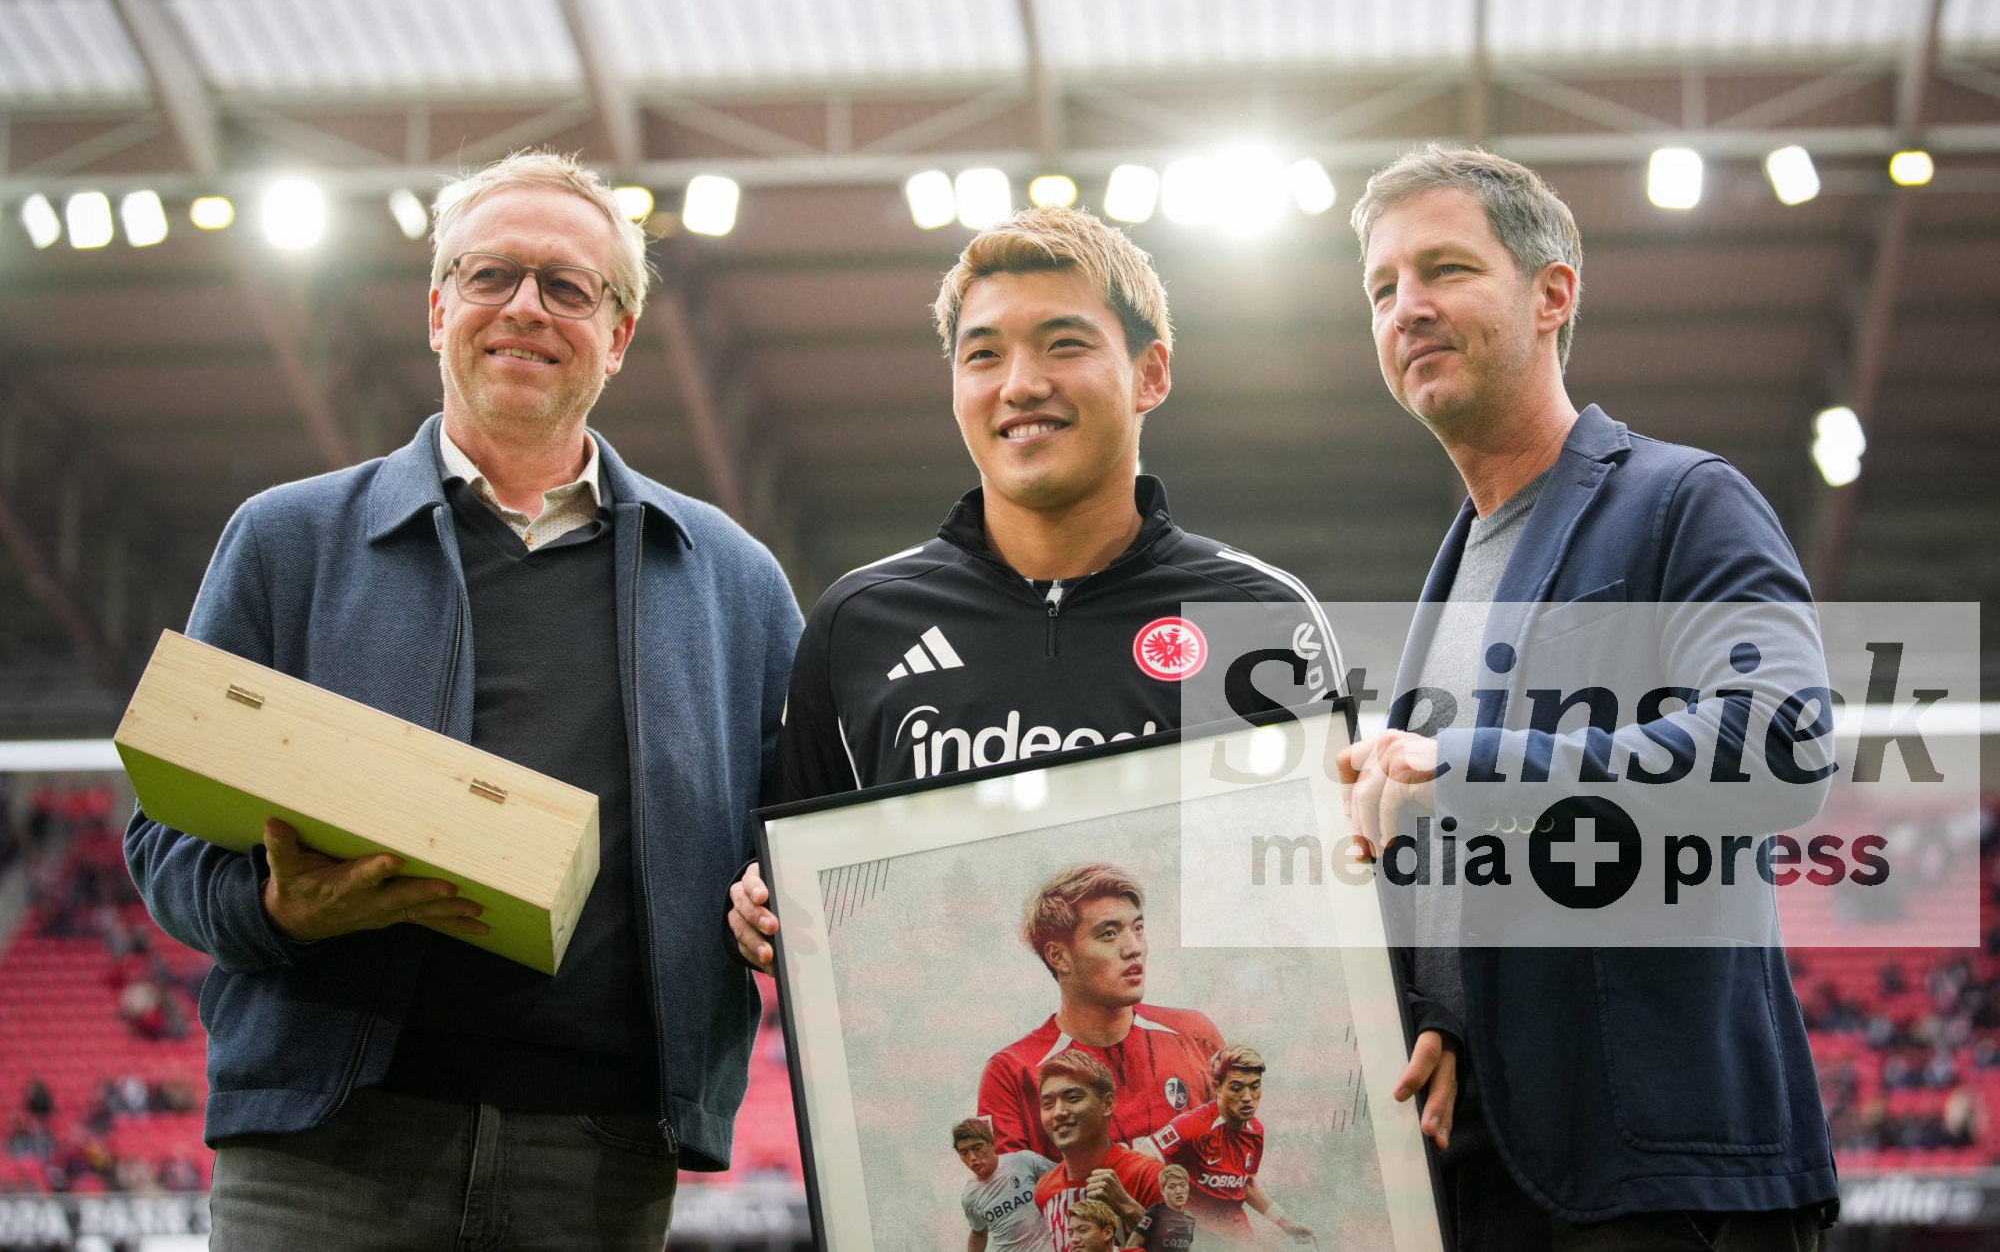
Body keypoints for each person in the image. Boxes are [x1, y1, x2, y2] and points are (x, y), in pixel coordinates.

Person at [124, 149, 801, 1250]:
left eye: (568, 285)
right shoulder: (287, 542)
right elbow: (161, 841)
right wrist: (278, 910)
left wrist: (777, 905)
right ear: (438, 308)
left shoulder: (734, 581)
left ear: (618, 335)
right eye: (492, 275)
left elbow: (794, 843)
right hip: (323, 1152)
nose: (525, 306)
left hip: (601, 1159)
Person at [1335, 144, 1836, 1248]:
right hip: (1494, 1157)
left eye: (1444, 269)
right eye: (1381, 288)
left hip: (1664, 1175)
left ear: (1552, 293)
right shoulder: (1458, 567)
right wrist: (1447, 1012)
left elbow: (1781, 745)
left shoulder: (1683, 498)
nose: (1406, 307)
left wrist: (1468, 761)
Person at [730, 204, 1344, 969]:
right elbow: (797, 886)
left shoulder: (1257, 615)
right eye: (983, 355)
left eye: (1064, 344)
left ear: (1150, 373)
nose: (1020, 384)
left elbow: (1322, 904)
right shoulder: (858, 623)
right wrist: (762, 905)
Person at [982, 864, 1224, 1158]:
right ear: (1059, 956)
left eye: (1138, 929)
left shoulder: (1195, 1035)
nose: (1133, 948)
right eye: (1109, 934)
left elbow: (1238, 1167)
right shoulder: (1013, 1073)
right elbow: (1007, 1185)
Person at [1142, 1045, 1310, 1242]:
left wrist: (1285, 1222)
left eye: (1254, 1086)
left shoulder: (1255, 1130)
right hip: (1195, 1235)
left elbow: (1245, 1183)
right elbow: (1136, 1161)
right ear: (1217, 1088)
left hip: (1237, 1234)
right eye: (1236, 1088)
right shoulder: (1192, 1125)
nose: (1247, 1098)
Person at [1033, 1050, 1165, 1252]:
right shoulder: (1044, 1190)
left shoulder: (1149, 1175)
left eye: (1073, 1098)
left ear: (1107, 1104)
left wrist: (1127, 1207)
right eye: (1047, 1104)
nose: (1058, 1112)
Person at [958, 1116, 1059, 1252]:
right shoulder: (970, 1196)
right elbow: (978, 1232)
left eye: (977, 1148)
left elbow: (1064, 1179)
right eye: (964, 1153)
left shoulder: (1024, 1161)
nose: (972, 1157)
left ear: (991, 1143)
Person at [1133, 1166, 1198, 1252]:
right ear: (1163, 1191)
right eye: (1172, 1187)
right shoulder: (1153, 1214)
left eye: (1183, 1185)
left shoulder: (1190, 1219)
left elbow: (1186, 1248)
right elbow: (1132, 1246)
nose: (1179, 1191)